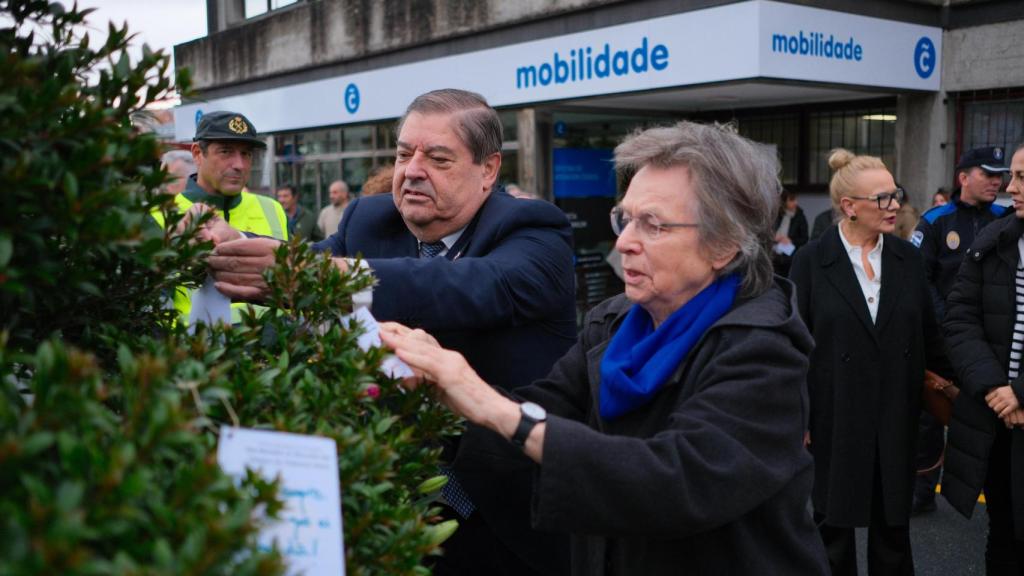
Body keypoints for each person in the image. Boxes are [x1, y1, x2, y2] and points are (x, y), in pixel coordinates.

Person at [381, 121, 828, 576]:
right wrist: (437, 388)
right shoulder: (614, 322)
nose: (624, 243)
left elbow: (676, 483)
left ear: (724, 246)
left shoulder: (764, 349)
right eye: (625, 218)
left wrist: (488, 403)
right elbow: (542, 411)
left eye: (653, 225)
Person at [203, 89, 577, 576]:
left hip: (502, 513)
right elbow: (306, 264)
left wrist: (332, 276)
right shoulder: (370, 219)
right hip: (387, 501)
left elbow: (466, 286)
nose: (413, 171)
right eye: (404, 154)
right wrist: (233, 243)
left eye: (438, 159)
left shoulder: (534, 231)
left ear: (488, 170)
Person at [790, 149, 950, 576]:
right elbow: (794, 347)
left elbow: (930, 338)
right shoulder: (810, 261)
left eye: (896, 194)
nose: (895, 204)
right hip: (833, 416)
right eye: (883, 198)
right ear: (849, 207)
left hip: (896, 414)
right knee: (831, 531)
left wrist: (957, 395)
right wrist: (799, 416)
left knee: (893, 532)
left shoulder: (907, 259)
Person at [911, 146, 1010, 514]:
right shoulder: (936, 221)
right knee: (930, 415)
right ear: (963, 177)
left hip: (990, 341)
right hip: (942, 339)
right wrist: (949, 321)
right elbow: (919, 279)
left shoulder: (1006, 218)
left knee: (991, 412)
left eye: (1000, 175)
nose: (997, 182)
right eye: (988, 174)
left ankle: (998, 489)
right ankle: (922, 488)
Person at [942, 143, 1024, 575]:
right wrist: (996, 389)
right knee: (1004, 532)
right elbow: (960, 318)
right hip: (997, 420)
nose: (1011, 188)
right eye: (1012, 176)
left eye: (1022, 178)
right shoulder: (994, 241)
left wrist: (1021, 393)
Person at [150, 111, 288, 323]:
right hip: (197, 343)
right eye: (226, 151)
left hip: (279, 342)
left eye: (246, 154)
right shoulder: (161, 217)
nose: (239, 164)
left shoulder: (272, 209)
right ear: (197, 153)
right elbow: (153, 318)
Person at [773, 189, 809, 276]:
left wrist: (791, 240)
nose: (795, 203)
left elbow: (805, 238)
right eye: (792, 200)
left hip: (791, 256)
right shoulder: (776, 214)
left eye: (795, 199)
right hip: (774, 253)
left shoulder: (800, 216)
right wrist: (774, 237)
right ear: (784, 201)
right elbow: (766, 233)